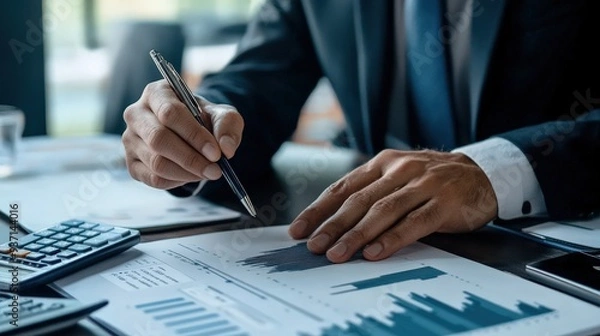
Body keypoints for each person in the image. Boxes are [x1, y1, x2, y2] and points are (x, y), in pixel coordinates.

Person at [121, 0, 600, 263]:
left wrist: (495, 172)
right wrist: (192, 126)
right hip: (396, 256)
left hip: (552, 253)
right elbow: (259, 82)